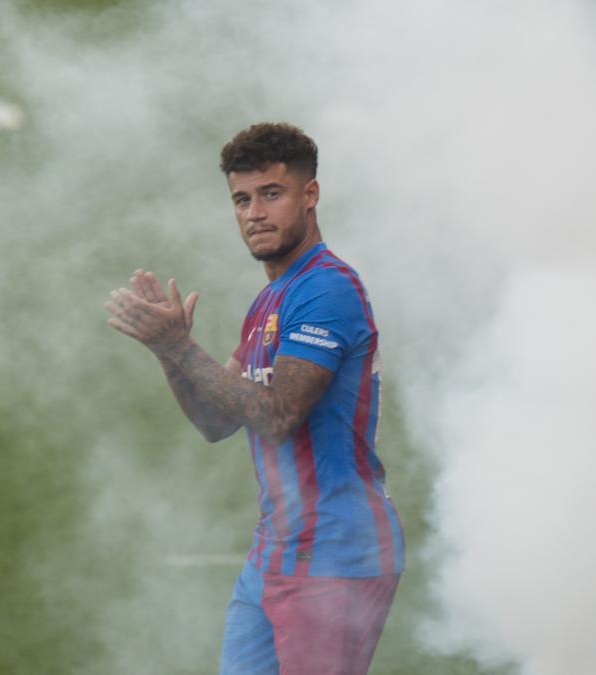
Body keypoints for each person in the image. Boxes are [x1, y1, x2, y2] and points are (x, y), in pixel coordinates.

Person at [104, 122, 405, 675]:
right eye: (241, 199)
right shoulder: (271, 298)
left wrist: (180, 345)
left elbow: (278, 415)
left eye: (271, 194)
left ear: (309, 195)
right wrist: (168, 353)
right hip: (277, 552)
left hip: (333, 555)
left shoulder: (327, 289)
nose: (254, 213)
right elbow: (216, 421)